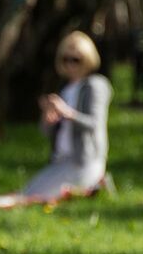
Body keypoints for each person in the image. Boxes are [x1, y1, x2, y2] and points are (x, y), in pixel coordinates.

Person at [22, 31, 112, 200]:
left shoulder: (95, 85)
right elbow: (46, 132)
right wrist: (47, 116)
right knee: (27, 192)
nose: (70, 65)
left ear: (87, 59)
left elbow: (94, 123)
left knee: (33, 197)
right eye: (66, 59)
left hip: (83, 161)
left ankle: (95, 186)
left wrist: (67, 112)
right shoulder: (65, 89)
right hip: (61, 161)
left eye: (76, 60)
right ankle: (91, 189)